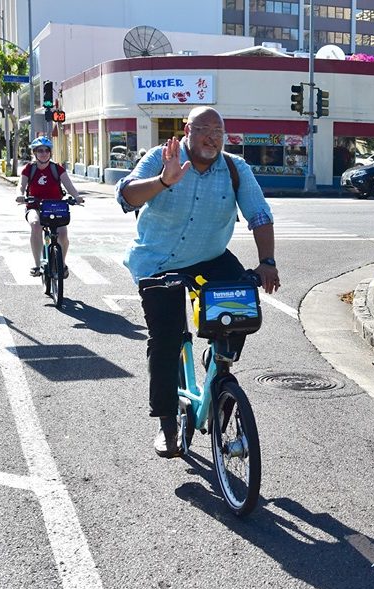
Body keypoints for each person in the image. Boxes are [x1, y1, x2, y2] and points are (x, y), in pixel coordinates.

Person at [116, 106, 280, 458]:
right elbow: (126, 197)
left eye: (218, 131)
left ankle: (218, 368)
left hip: (209, 257)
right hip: (158, 261)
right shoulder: (162, 158)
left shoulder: (235, 168)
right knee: (166, 339)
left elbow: (260, 214)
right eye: (204, 129)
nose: (211, 137)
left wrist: (267, 261)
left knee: (242, 309)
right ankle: (167, 424)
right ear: (187, 130)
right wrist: (163, 181)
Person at [15, 136, 85, 277]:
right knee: (35, 225)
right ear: (34, 153)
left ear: (50, 153)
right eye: (40, 150)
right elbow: (21, 185)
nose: (44, 153)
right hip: (34, 206)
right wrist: (20, 195)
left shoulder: (56, 169)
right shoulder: (29, 169)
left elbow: (69, 186)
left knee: (63, 234)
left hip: (55, 206)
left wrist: (77, 197)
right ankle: (36, 265)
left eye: (47, 150)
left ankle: (62, 264)